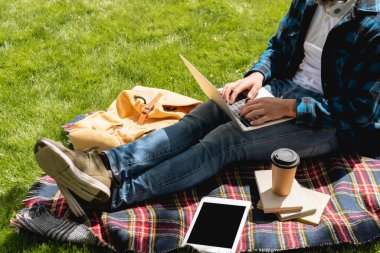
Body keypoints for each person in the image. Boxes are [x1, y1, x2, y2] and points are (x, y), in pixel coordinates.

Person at [34, 0, 379, 215]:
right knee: (206, 113)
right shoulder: (309, 2)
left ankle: (110, 196)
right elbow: (278, 46)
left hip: (329, 121)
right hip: (284, 91)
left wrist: (288, 108)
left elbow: (359, 112)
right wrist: (258, 75)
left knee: (226, 140)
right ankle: (102, 167)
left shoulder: (374, 29)